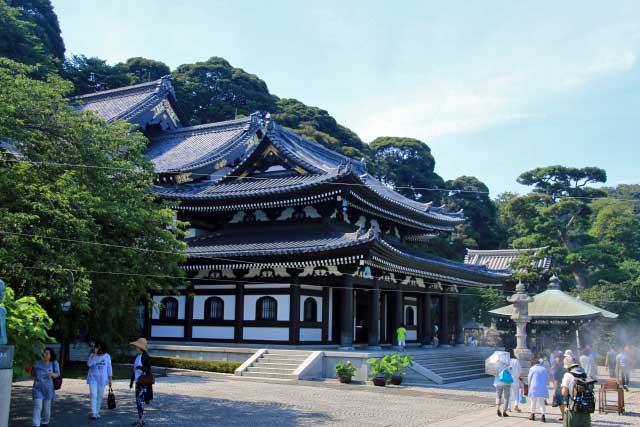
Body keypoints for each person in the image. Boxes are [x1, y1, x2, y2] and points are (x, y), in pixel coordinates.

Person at [31, 347, 60, 427]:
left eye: (47, 353)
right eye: (44, 353)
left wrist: (52, 375)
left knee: (46, 408)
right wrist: (31, 369)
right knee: (38, 406)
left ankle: (45, 422)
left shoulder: (54, 363)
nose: (45, 354)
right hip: (38, 388)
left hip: (48, 389)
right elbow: (33, 374)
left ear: (51, 355)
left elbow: (58, 374)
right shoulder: (37, 363)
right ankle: (36, 424)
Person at [129, 338, 153, 427]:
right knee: (138, 401)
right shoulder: (138, 356)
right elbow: (134, 370)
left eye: (136, 346)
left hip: (143, 383)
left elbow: (148, 369)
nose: (135, 347)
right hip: (138, 381)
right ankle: (140, 419)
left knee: (140, 401)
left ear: (140, 347)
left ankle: (141, 421)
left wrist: (139, 367)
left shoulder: (145, 356)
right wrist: (131, 381)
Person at [87, 340, 113, 420]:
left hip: (102, 378)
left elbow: (109, 368)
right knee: (93, 394)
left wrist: (110, 379)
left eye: (100, 348)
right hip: (93, 378)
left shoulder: (107, 356)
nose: (98, 349)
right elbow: (89, 364)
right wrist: (94, 354)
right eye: (97, 347)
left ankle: (97, 412)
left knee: (100, 396)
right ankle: (94, 413)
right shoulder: (92, 355)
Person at [562, 363, 591, 427]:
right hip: (586, 408)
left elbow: (564, 392)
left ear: (569, 368)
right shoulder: (585, 375)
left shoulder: (567, 375)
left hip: (572, 408)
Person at [528, 358, 550, 422]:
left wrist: (529, 386)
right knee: (542, 402)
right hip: (542, 387)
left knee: (533, 401)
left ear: (533, 363)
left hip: (534, 387)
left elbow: (529, 378)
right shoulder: (544, 369)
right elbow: (547, 379)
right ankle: (543, 415)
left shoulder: (532, 369)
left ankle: (532, 415)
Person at [551, 354, 567, 421]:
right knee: (565, 402)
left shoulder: (557, 367)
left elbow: (555, 380)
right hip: (567, 386)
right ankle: (565, 416)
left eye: (556, 358)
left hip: (560, 387)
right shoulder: (566, 367)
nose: (555, 359)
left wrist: (554, 390)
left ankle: (564, 416)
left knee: (561, 403)